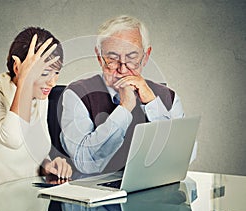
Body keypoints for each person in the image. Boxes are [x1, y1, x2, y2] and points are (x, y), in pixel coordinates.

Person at [60, 15, 196, 174]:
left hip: (151, 193)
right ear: (99, 57)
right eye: (112, 59)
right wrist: (124, 109)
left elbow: (185, 158)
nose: (123, 70)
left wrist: (152, 104)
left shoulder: (167, 97)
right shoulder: (77, 94)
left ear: (146, 57)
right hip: (97, 194)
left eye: (132, 58)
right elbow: (86, 164)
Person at [0, 27, 72, 211]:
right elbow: (13, 139)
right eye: (44, 73)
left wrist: (47, 166)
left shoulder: (39, 99)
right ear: (18, 68)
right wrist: (25, 83)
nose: (52, 82)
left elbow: (32, 153)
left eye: (56, 72)